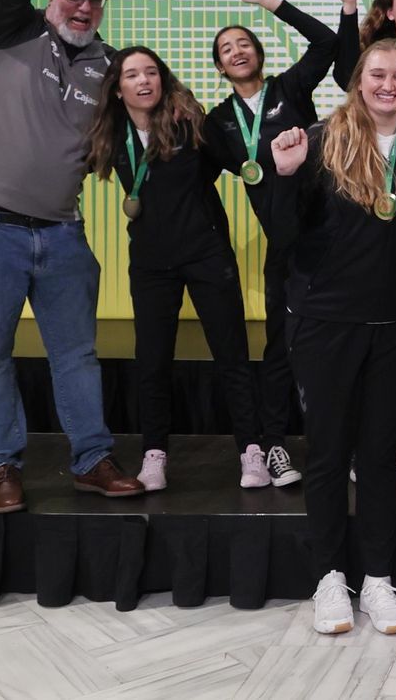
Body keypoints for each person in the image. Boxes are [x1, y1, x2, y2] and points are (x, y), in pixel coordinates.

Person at [0, 0, 156, 512]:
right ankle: (2, 466)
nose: (85, 7)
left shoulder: (110, 65)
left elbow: (152, 119)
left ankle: (92, 459)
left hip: (62, 233)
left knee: (77, 356)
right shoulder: (9, 30)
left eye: (95, 0)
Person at [267, 39, 396, 636]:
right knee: (330, 456)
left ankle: (380, 581)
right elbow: (282, 235)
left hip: (391, 324)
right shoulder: (318, 139)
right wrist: (282, 177)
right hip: (325, 323)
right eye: (377, 74)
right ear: (358, 80)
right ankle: (330, 578)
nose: (388, 85)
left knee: (381, 459)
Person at [85, 46, 266, 491]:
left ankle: (251, 451)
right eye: (132, 75)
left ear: (163, 79)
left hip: (207, 255)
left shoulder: (189, 122)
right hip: (150, 264)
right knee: (152, 361)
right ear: (117, 88)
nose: (144, 81)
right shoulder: (111, 133)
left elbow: (238, 159)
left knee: (232, 357)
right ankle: (154, 455)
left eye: (151, 72)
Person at [204, 0, 357, 487]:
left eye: (244, 42)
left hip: (329, 238)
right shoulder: (217, 122)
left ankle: (347, 446)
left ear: (258, 52)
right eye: (226, 48)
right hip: (283, 249)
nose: (237, 50)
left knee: (339, 347)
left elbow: (328, 42)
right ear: (220, 67)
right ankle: (273, 447)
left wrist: (271, 2)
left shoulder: (289, 87)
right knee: (278, 349)